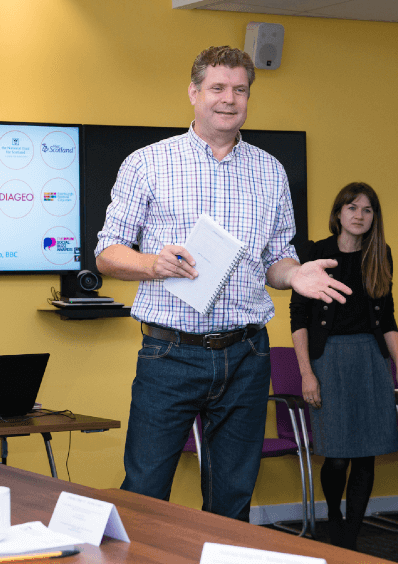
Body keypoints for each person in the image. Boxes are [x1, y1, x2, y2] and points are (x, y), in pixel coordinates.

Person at [95, 45, 352, 521]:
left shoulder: (271, 171)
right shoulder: (147, 163)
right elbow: (108, 252)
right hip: (169, 354)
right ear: (194, 93)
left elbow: (276, 258)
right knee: (146, 490)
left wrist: (296, 273)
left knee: (233, 498)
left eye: (239, 89)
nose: (228, 99)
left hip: (247, 355)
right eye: (217, 88)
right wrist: (152, 264)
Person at [289, 182, 398, 550]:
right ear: (339, 213)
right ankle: (334, 517)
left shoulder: (381, 254)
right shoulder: (316, 252)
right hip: (327, 360)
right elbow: (298, 316)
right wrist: (306, 373)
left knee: (366, 453)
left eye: (367, 210)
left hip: (371, 360)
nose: (359, 216)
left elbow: (388, 316)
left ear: (374, 217)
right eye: (352, 208)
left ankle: (351, 538)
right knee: (336, 456)